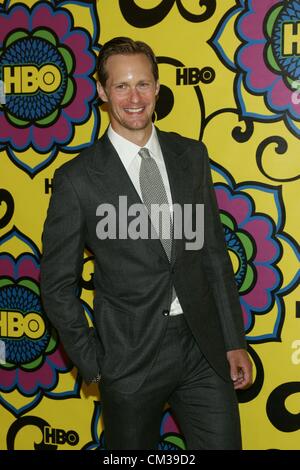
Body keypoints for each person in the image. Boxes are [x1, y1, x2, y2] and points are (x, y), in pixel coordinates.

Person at [40, 36, 252, 450]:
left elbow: (212, 255)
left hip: (202, 349)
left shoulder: (192, 155)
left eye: (142, 84)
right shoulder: (77, 179)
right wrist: (94, 363)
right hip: (128, 358)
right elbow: (56, 283)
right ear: (102, 91)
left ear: (157, 87)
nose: (133, 98)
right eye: (121, 86)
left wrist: (232, 341)